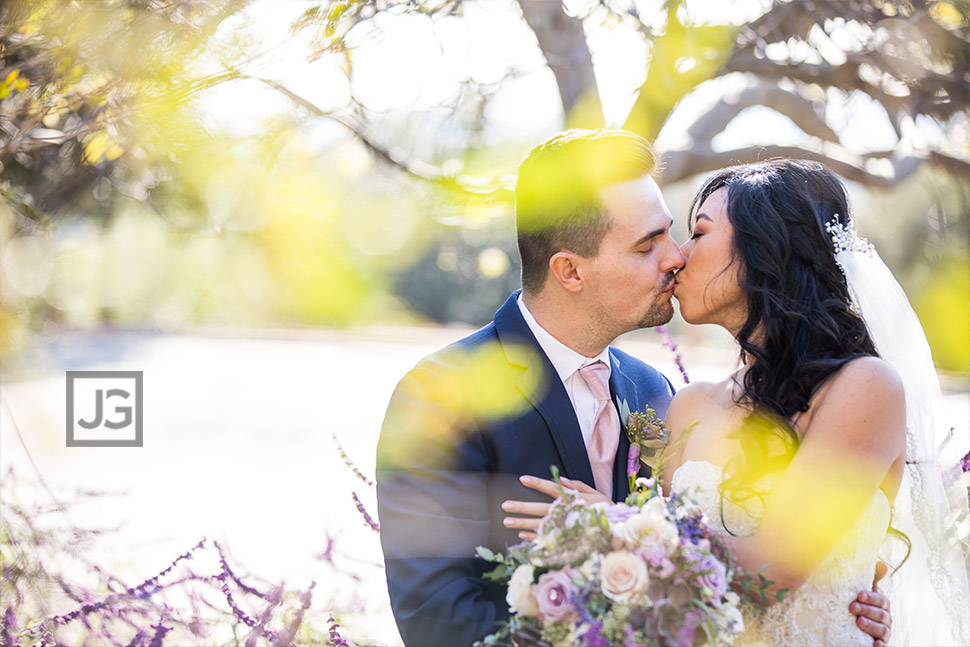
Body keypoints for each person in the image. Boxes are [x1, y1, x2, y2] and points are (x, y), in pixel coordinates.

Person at [377, 131, 892, 646]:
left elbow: (719, 576)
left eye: (678, 233)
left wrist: (832, 593)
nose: (675, 258)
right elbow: (435, 619)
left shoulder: (655, 393)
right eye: (648, 245)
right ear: (570, 271)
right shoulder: (441, 396)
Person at [655, 158, 969, 645]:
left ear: (767, 249)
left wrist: (621, 531)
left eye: (699, 233)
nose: (678, 255)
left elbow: (769, 574)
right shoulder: (689, 406)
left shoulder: (864, 388)